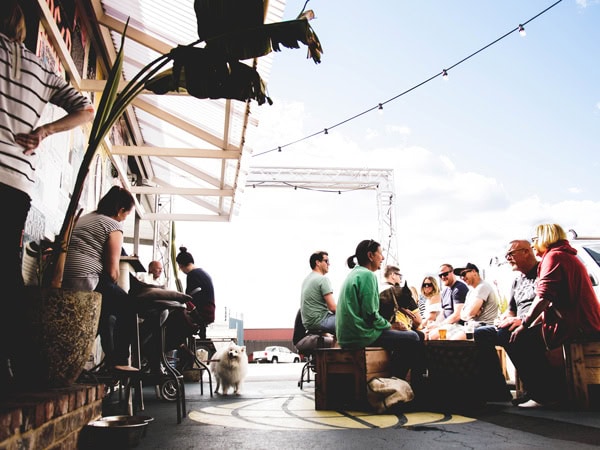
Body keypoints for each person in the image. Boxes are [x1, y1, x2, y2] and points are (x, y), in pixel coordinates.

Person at [0, 1, 94, 382]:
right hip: (18, 180)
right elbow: (86, 109)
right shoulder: (39, 67)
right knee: (7, 270)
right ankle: (12, 364)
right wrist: (44, 132)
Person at [509, 224, 600, 407]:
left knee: (519, 338)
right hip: (581, 320)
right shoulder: (565, 255)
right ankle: (547, 390)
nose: (533, 245)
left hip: (578, 325)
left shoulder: (554, 257)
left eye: (534, 240)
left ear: (545, 237)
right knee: (524, 336)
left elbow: (544, 296)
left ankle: (544, 394)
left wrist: (524, 324)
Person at [62, 186, 137, 371]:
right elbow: (112, 271)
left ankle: (81, 359)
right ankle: (119, 360)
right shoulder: (114, 226)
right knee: (128, 306)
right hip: (86, 279)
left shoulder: (85, 218)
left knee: (105, 310)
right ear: (120, 211)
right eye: (127, 214)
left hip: (63, 278)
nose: (125, 218)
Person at [335, 239, 422, 379]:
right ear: (370, 256)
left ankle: (392, 378)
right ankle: (395, 381)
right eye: (380, 254)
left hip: (346, 336)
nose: (382, 258)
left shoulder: (354, 274)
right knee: (413, 337)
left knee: (403, 338)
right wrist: (391, 326)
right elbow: (370, 315)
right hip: (360, 335)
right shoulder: (368, 275)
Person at [475, 239, 539, 404]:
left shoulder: (542, 273)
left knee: (506, 334)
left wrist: (522, 321)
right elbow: (511, 308)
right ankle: (498, 390)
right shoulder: (518, 280)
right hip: (517, 321)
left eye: (511, 254)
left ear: (526, 251)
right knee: (481, 333)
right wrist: (504, 317)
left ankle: (537, 390)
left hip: (535, 322)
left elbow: (547, 304)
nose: (508, 258)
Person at [445, 262, 499, 340]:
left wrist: (469, 313)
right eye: (460, 276)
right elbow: (463, 315)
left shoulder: (483, 287)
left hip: (483, 326)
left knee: (454, 340)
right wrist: (469, 313)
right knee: (440, 336)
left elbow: (470, 312)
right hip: (471, 325)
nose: (462, 278)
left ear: (474, 272)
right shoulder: (470, 292)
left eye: (464, 274)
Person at [176, 246, 216, 340]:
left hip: (203, 313)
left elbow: (189, 298)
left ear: (181, 265)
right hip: (209, 311)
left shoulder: (192, 275)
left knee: (174, 318)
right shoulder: (202, 273)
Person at [427, 264, 468, 340]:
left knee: (433, 336)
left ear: (452, 272)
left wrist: (439, 326)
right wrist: (434, 325)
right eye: (440, 275)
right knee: (425, 334)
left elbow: (458, 315)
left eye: (445, 274)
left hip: (459, 325)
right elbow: (443, 313)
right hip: (447, 325)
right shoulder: (445, 291)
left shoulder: (459, 288)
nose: (443, 277)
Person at [300, 251, 336, 335]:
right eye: (326, 261)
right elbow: (333, 307)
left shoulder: (306, 280)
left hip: (308, 323)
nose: (329, 264)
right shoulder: (323, 279)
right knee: (350, 322)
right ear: (318, 263)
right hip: (320, 320)